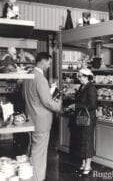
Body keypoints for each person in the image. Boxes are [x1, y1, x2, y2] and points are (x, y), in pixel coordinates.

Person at [23, 52, 62, 181]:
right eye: (49, 63)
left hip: (30, 119)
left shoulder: (28, 76)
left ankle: (29, 176)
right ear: (43, 61)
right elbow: (47, 102)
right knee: (39, 153)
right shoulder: (41, 78)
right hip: (41, 121)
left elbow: (28, 97)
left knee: (32, 149)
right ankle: (37, 178)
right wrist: (59, 104)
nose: (49, 66)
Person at [69, 68, 97, 177]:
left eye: (80, 76)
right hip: (82, 117)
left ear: (86, 76)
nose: (78, 78)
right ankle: (84, 163)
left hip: (88, 118)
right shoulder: (82, 87)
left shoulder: (91, 88)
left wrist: (76, 106)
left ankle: (88, 165)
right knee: (82, 140)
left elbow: (92, 105)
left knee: (87, 141)